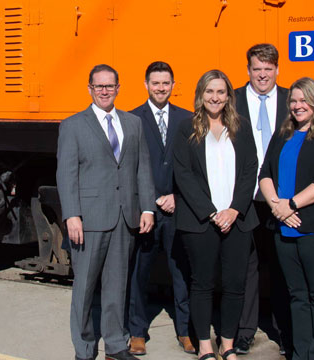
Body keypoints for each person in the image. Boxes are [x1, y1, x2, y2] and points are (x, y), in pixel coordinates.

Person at [56, 64, 156, 360]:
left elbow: (142, 169)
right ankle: (84, 349)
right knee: (85, 289)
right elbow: (66, 173)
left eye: (109, 86)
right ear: (89, 89)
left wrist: (147, 207)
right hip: (89, 218)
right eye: (98, 86)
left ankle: (115, 344)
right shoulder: (73, 125)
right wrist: (72, 214)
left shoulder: (133, 123)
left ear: (118, 89)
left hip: (125, 217)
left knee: (117, 286)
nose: (104, 91)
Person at [258, 77, 314, 360]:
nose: (298, 106)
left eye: (304, 100)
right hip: (284, 227)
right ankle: (300, 353)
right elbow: (265, 174)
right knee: (296, 295)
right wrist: (277, 207)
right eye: (294, 101)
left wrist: (293, 204)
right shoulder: (283, 133)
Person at [173, 69, 259, 360]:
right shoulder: (187, 129)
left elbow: (250, 171)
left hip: (238, 220)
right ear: (200, 95)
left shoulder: (241, 127)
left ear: (228, 96)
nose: (215, 97)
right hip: (201, 222)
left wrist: (234, 210)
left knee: (235, 284)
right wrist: (212, 213)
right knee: (202, 283)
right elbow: (183, 175)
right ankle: (205, 346)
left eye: (221, 92)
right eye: (209, 91)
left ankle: (228, 343)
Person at [126, 61, 195, 356]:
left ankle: (186, 331)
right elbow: (129, 168)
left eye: (166, 83)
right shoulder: (132, 119)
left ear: (173, 85)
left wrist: (177, 196)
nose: (160, 88)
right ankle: (137, 333)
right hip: (147, 210)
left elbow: (194, 166)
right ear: (146, 85)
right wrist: (152, 200)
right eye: (155, 83)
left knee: (182, 272)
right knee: (139, 272)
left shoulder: (188, 119)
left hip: (179, 209)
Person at [233, 42, 293, 356]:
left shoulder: (290, 99)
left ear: (277, 70)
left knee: (282, 266)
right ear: (249, 70)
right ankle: (245, 332)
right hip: (244, 196)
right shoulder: (233, 99)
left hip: (280, 199)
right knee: (247, 267)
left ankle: (284, 332)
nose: (263, 75)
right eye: (257, 69)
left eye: (268, 69)